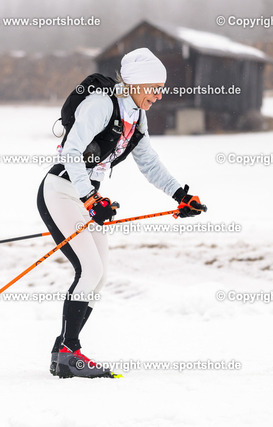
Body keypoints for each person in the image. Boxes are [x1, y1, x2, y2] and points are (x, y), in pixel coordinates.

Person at [37, 47, 204, 379]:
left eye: (161, 88)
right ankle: (69, 353)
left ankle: (62, 351)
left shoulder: (136, 116)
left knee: (99, 276)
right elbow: (71, 151)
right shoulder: (101, 104)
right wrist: (89, 198)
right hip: (62, 191)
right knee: (89, 269)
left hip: (87, 199)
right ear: (137, 83)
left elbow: (149, 162)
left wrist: (180, 195)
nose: (159, 95)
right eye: (154, 88)